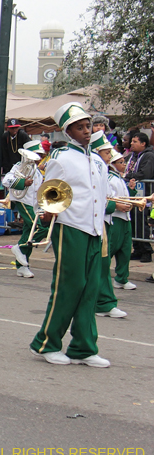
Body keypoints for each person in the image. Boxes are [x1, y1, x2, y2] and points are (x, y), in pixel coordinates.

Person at [29, 103, 111, 368]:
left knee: (90, 289)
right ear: (67, 132)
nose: (87, 131)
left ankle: (83, 347)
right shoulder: (60, 159)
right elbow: (47, 194)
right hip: (71, 229)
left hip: (95, 230)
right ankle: (46, 343)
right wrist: (45, 215)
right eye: (80, 127)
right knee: (68, 288)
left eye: (88, 126)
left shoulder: (98, 160)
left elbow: (102, 196)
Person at [90, 133, 130, 319]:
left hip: (103, 223)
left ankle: (104, 302)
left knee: (104, 264)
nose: (109, 156)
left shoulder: (102, 170)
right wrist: (115, 206)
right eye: (106, 152)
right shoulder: (92, 169)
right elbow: (94, 199)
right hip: (89, 223)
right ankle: (99, 302)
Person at [2, 141, 47, 278]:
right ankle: (20, 248)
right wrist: (22, 182)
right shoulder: (19, 166)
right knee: (39, 228)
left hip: (33, 204)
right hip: (22, 201)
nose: (39, 157)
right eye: (37, 154)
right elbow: (6, 180)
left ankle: (22, 266)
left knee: (29, 232)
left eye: (40, 154)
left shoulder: (37, 170)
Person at [106, 151, 136, 292]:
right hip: (116, 218)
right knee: (111, 248)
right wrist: (118, 206)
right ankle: (102, 276)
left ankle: (121, 278)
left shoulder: (119, 178)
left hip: (125, 219)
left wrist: (131, 191)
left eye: (124, 162)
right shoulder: (110, 179)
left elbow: (124, 197)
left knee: (125, 249)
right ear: (113, 164)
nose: (124, 165)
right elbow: (109, 199)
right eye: (121, 162)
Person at [124, 131, 154, 262]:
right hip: (133, 193)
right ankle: (137, 249)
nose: (131, 143)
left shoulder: (148, 156)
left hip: (145, 194)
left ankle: (146, 251)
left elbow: (144, 174)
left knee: (142, 222)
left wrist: (127, 176)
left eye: (135, 142)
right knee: (134, 222)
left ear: (143, 143)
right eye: (131, 141)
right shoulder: (132, 156)